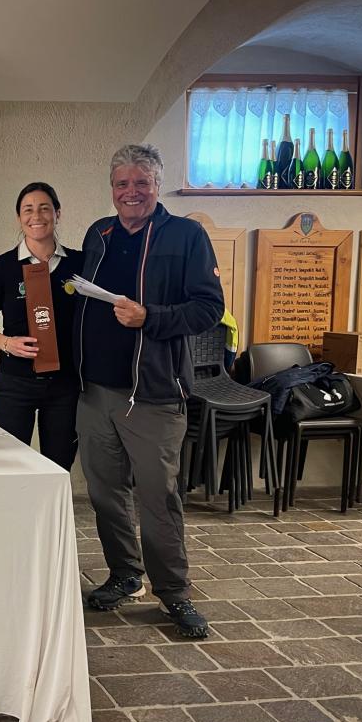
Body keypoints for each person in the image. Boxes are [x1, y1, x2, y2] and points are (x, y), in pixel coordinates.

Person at [74, 144, 224, 638]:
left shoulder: (186, 235)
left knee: (159, 497)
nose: (131, 192)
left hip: (154, 394)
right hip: (95, 392)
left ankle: (174, 592)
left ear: (158, 185)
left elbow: (209, 308)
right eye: (122, 183)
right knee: (105, 493)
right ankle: (125, 574)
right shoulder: (98, 233)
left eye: (141, 182)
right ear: (112, 188)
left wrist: (150, 317)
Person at [0, 182, 83, 470]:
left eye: (45, 208)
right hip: (15, 382)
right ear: (19, 217)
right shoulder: (1, 267)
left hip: (65, 384)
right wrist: (7, 343)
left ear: (58, 214)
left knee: (58, 466)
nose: (37, 216)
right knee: (8, 464)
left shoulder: (80, 264)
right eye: (28, 210)